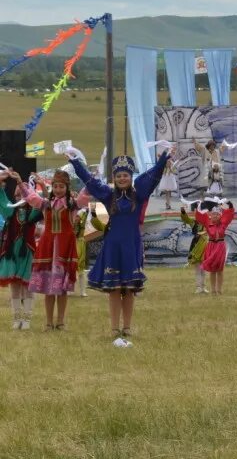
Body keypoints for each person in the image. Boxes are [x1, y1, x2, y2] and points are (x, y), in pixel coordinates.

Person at [69, 148, 172, 347]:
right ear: (114, 178)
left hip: (131, 245)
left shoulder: (139, 193)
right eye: (119, 175)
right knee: (115, 289)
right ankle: (115, 328)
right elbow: (90, 182)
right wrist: (75, 163)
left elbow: (153, 177)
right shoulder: (108, 196)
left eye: (126, 175)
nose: (122, 178)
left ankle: (128, 327)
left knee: (130, 288)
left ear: (131, 177)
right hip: (113, 246)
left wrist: (164, 159)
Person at [19, 170, 91, 330]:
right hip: (48, 246)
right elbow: (31, 198)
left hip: (65, 248)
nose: (58, 190)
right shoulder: (46, 205)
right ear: (52, 187)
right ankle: (49, 322)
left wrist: (90, 180)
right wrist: (19, 181)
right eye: (56, 186)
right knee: (48, 288)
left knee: (62, 289)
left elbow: (85, 195)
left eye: (61, 187)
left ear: (66, 188)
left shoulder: (72, 205)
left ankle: (61, 322)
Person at [0, 169, 42, 330]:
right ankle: (16, 318)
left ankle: (27, 319)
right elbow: (2, 200)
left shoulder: (33, 213)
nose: (20, 198)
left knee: (27, 287)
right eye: (17, 195)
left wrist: (39, 186)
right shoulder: (11, 211)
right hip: (12, 254)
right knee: (15, 287)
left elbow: (41, 203)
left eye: (23, 195)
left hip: (27, 253)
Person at [196, 201, 235, 295]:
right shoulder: (207, 223)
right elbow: (200, 217)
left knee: (220, 270)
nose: (215, 216)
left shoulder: (223, 223)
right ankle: (213, 290)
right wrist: (199, 206)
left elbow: (229, 215)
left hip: (220, 247)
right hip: (211, 246)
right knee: (213, 270)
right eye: (213, 214)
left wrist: (230, 204)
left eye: (217, 214)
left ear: (220, 216)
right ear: (211, 215)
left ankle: (219, 290)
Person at [181, 202, 210, 293]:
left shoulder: (208, 222)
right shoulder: (194, 222)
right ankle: (198, 287)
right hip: (196, 246)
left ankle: (203, 287)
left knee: (203, 269)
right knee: (198, 268)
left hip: (205, 245)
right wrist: (182, 211)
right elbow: (186, 219)